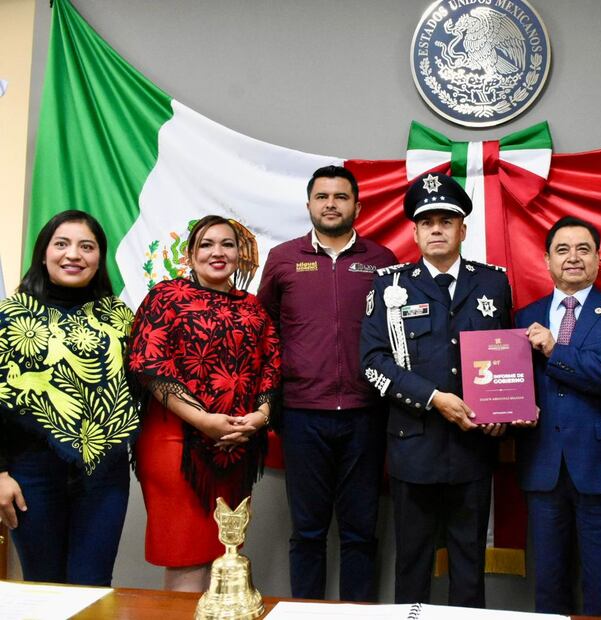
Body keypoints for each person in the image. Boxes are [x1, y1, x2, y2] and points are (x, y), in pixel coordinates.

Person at [360, 172, 511, 607]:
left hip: (473, 446)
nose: (438, 229)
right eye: (428, 223)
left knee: (469, 564)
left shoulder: (492, 283)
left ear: (463, 229)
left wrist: (503, 414)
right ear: (415, 231)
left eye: (447, 220)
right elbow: (372, 364)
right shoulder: (389, 285)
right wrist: (433, 398)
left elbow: (505, 357)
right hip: (414, 445)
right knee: (412, 563)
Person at [257, 165, 396, 601]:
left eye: (340, 196)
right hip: (302, 414)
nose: (331, 204)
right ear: (309, 205)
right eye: (322, 196)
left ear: (358, 205)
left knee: (360, 532)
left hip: (366, 414)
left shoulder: (382, 260)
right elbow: (265, 331)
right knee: (308, 532)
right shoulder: (282, 258)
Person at [127, 215, 281, 592]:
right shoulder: (165, 297)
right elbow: (149, 366)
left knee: (222, 556)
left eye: (227, 244)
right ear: (191, 254)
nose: (217, 252)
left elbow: (271, 368)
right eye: (207, 244)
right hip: (175, 443)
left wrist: (259, 418)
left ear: (239, 255)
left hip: (237, 446)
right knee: (186, 554)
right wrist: (203, 420)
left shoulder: (254, 309)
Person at [0, 210, 140, 585]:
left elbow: (146, 383)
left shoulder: (120, 317)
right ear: (43, 253)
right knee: (44, 588)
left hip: (104, 475)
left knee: (92, 588)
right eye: (61, 244)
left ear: (99, 257)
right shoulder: (11, 316)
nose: (73, 255)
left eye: (86, 246)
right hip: (31, 473)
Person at [514, 216, 601, 616]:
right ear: (547, 260)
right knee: (549, 585)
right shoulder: (522, 317)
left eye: (583, 249)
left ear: (599, 259)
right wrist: (511, 410)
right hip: (543, 464)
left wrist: (556, 351)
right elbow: (511, 382)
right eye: (563, 250)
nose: (573, 258)